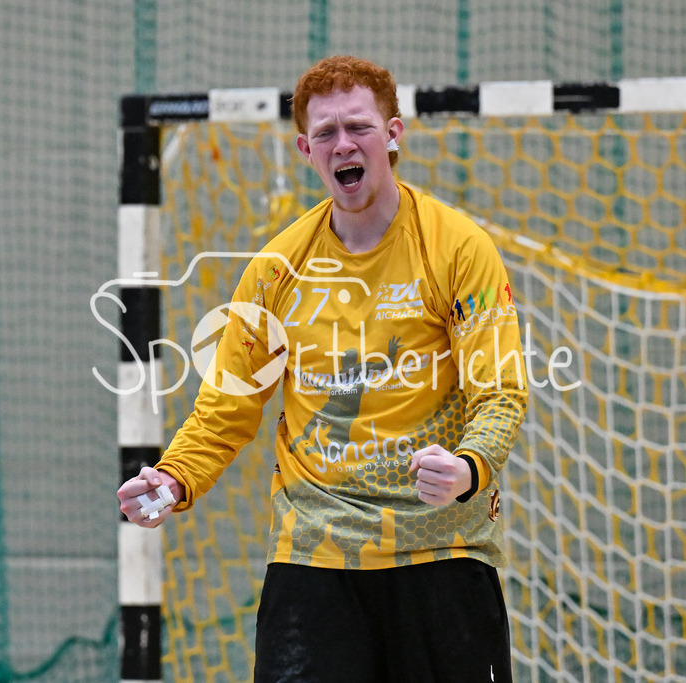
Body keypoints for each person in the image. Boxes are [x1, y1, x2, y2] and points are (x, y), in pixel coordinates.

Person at [118, 55, 527, 682]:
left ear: (393, 135)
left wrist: (468, 467)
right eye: (327, 133)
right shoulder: (277, 269)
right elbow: (227, 407)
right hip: (314, 558)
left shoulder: (456, 247)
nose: (345, 145)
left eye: (359, 127)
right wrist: (175, 478)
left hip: (441, 550)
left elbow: (499, 391)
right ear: (307, 149)